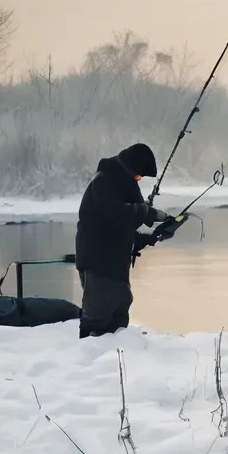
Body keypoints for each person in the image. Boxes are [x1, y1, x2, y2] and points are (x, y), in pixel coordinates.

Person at [74, 142, 174, 339]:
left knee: (119, 317)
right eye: (139, 175)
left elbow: (120, 226)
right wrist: (150, 212)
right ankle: (89, 359)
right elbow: (116, 213)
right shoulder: (103, 181)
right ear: (129, 168)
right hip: (98, 263)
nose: (140, 179)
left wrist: (143, 238)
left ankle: (116, 361)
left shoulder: (126, 183)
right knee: (97, 317)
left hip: (117, 265)